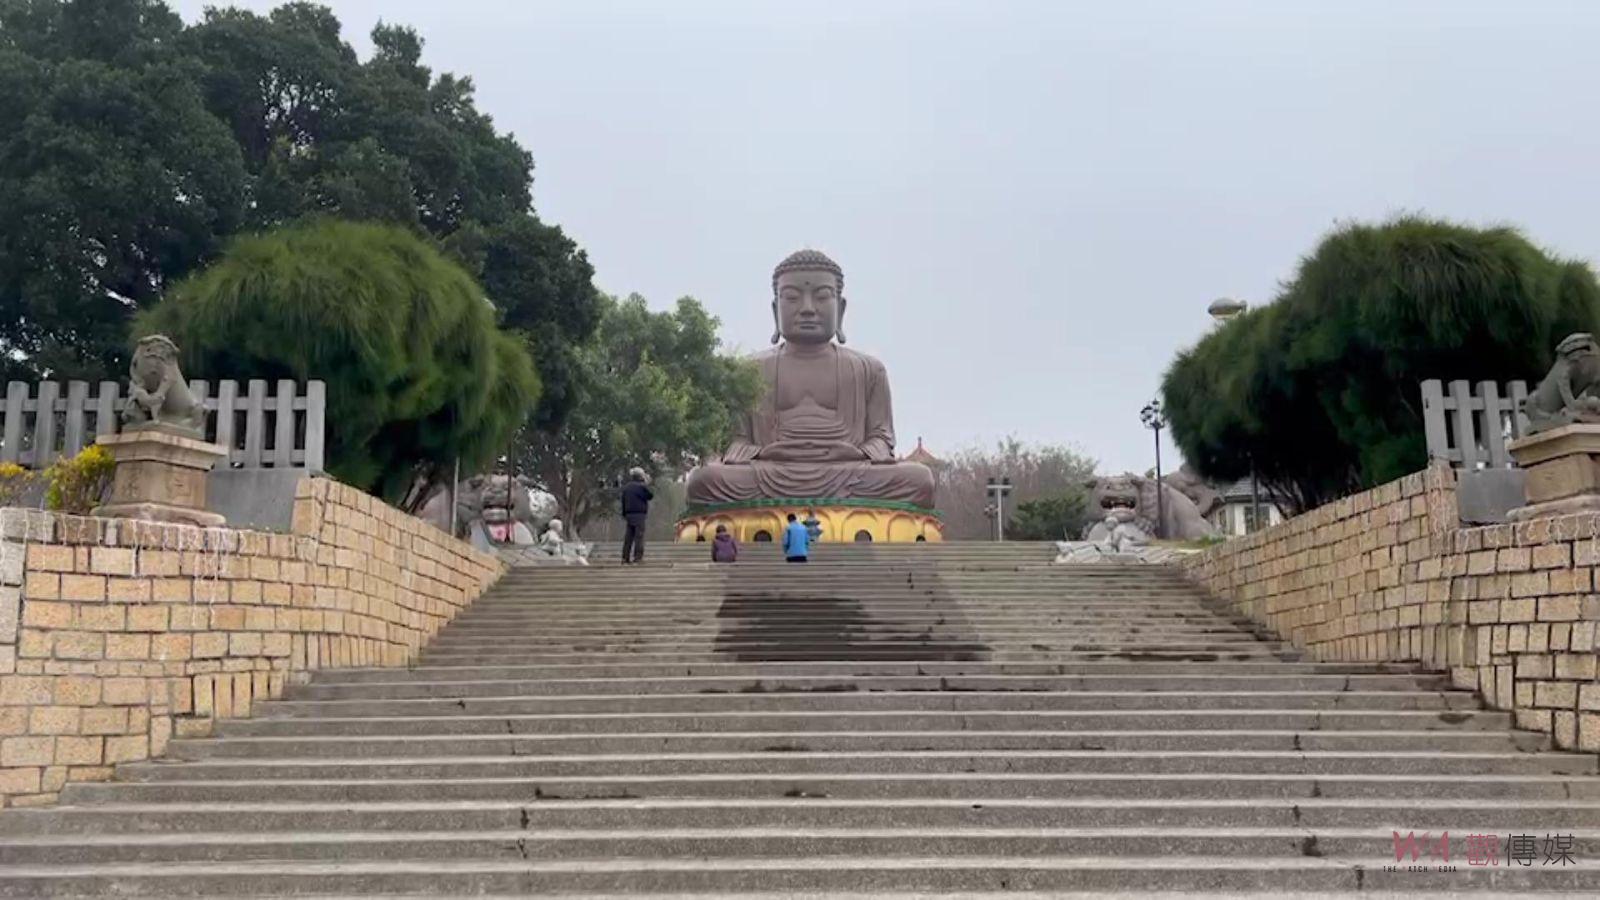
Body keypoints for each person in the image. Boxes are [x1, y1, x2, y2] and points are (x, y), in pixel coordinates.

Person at [619, 468, 652, 565]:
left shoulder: (627, 487)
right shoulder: (641, 486)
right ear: (641, 476)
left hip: (629, 514)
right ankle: (638, 558)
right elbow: (650, 496)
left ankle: (625, 558)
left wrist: (624, 514)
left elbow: (623, 501)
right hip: (639, 514)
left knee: (628, 537)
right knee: (639, 537)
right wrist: (646, 483)